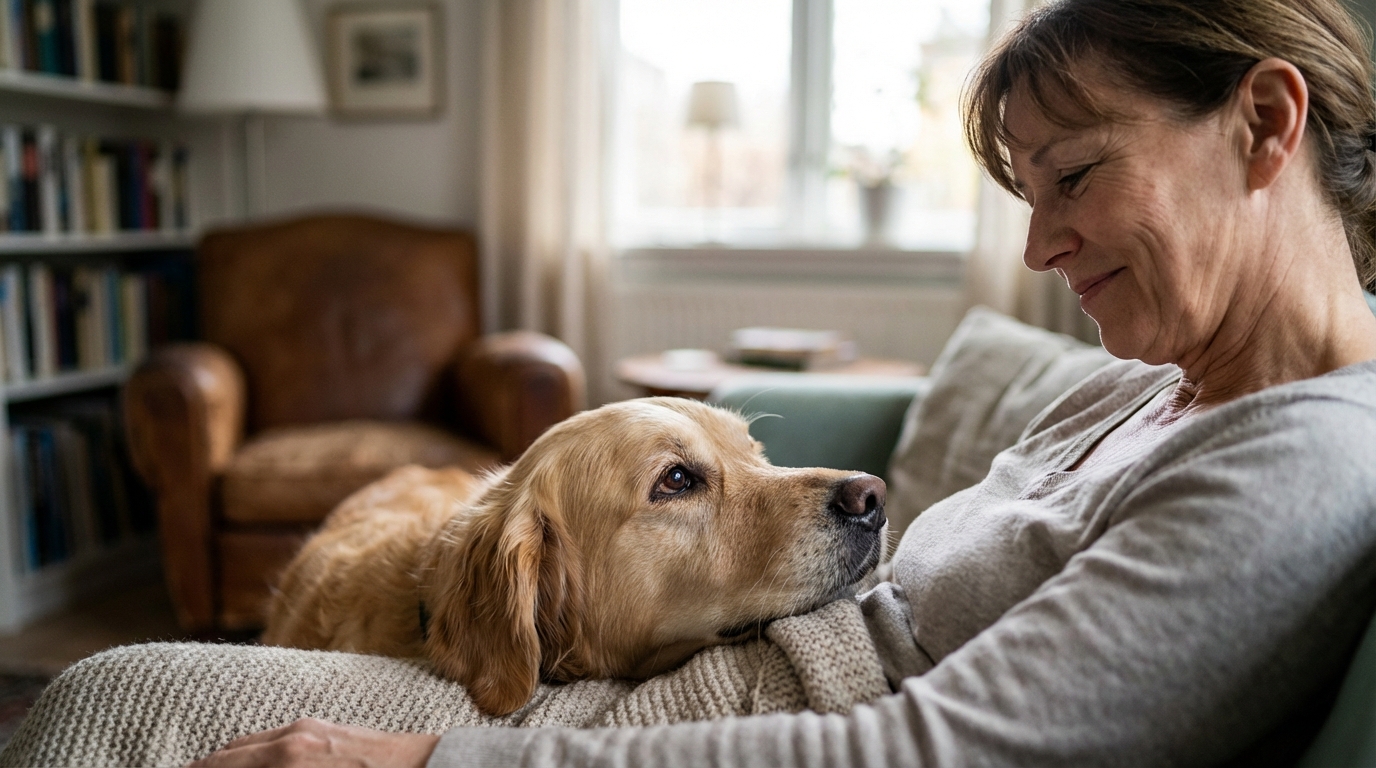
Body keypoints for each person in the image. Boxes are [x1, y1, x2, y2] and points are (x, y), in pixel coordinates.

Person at [188, 0, 1376, 764]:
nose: (1037, 246)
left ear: (1264, 123)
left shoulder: (1298, 461)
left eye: (1071, 175)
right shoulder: (1148, 385)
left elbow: (931, 751)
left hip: (707, 730)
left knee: (112, 704)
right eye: (1030, 195)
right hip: (692, 675)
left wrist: (422, 762)